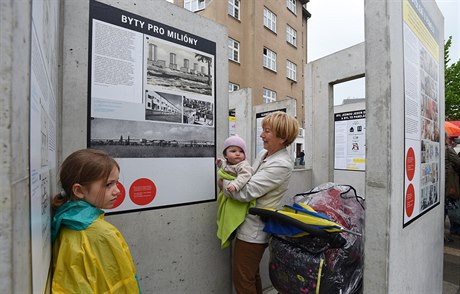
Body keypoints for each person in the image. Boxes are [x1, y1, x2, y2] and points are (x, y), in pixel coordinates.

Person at [218, 111, 299, 294]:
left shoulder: (281, 164)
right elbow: (247, 177)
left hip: (254, 231)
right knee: (251, 275)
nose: (262, 135)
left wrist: (222, 183)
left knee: (242, 278)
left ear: (282, 137)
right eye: (263, 130)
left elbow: (246, 191)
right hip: (247, 222)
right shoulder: (264, 153)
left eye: (267, 131)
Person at [51, 149, 141, 293]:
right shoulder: (103, 233)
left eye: (116, 183)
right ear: (79, 191)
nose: (117, 190)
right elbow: (122, 285)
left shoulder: (64, 219)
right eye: (108, 185)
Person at [216, 135, 255, 249]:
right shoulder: (229, 163)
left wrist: (234, 184)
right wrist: (220, 163)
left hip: (235, 192)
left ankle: (230, 230)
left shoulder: (244, 165)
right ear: (226, 155)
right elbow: (225, 166)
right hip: (227, 194)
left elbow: (244, 177)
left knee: (231, 214)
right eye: (233, 151)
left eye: (241, 151)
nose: (238, 154)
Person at [445, 135, 460, 241]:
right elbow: (458, 163)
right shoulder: (448, 150)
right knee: (451, 206)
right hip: (449, 184)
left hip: (444, 183)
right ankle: (455, 229)